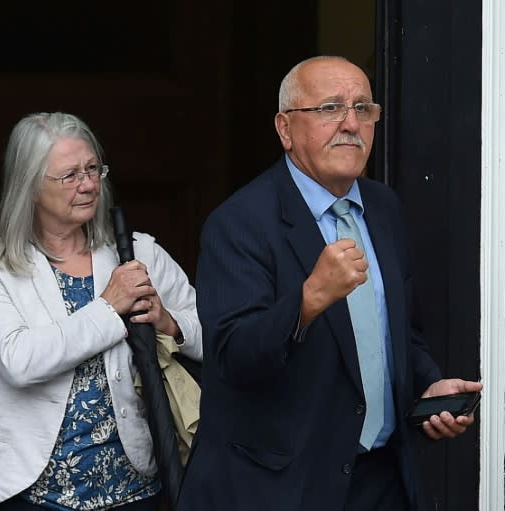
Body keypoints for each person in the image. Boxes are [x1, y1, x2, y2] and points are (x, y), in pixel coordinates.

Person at [176, 56, 483, 511]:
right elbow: (234, 358)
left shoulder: (383, 208)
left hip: (379, 480)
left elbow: (397, 333)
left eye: (363, 108)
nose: (350, 123)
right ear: (285, 128)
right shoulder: (238, 223)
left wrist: (428, 389)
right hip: (280, 488)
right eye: (329, 109)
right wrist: (309, 299)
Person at [0, 112, 202, 510]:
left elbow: (212, 337)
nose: (88, 185)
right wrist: (109, 306)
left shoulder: (140, 252)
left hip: (131, 488)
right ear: (31, 187)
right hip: (30, 493)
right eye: (69, 175)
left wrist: (167, 322)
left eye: (93, 169)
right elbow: (20, 362)